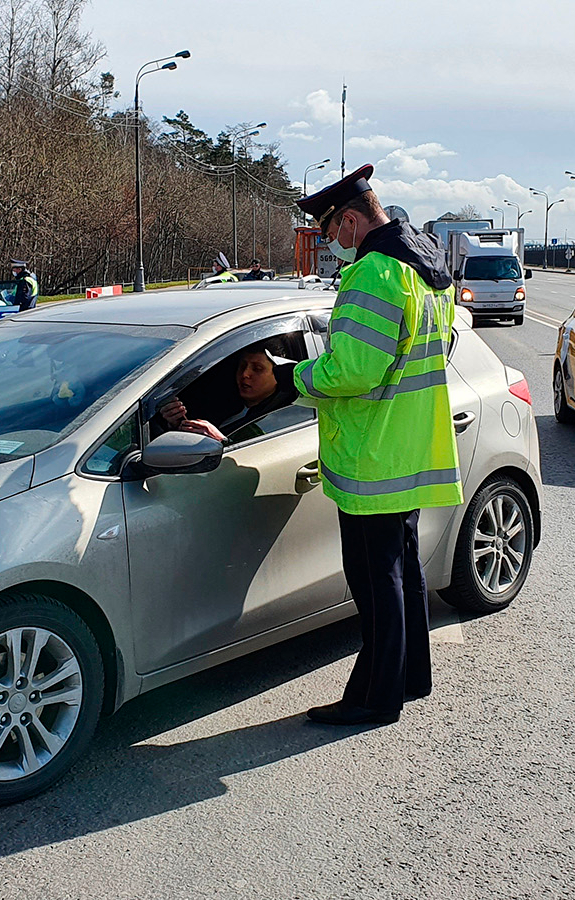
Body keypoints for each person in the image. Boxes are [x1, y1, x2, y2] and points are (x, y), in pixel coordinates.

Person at [290, 164, 462, 727]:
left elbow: (353, 371)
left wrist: (293, 377)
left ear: (350, 219)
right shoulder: (427, 269)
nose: (330, 245)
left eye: (330, 232)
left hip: (372, 454)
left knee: (374, 579)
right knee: (403, 570)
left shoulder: (373, 274)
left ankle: (374, 697)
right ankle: (412, 675)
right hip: (410, 448)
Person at [158, 342, 297, 442]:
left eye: (257, 369)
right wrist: (179, 425)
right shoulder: (221, 404)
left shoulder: (283, 419)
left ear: (279, 374)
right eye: (242, 366)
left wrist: (221, 441)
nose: (245, 374)